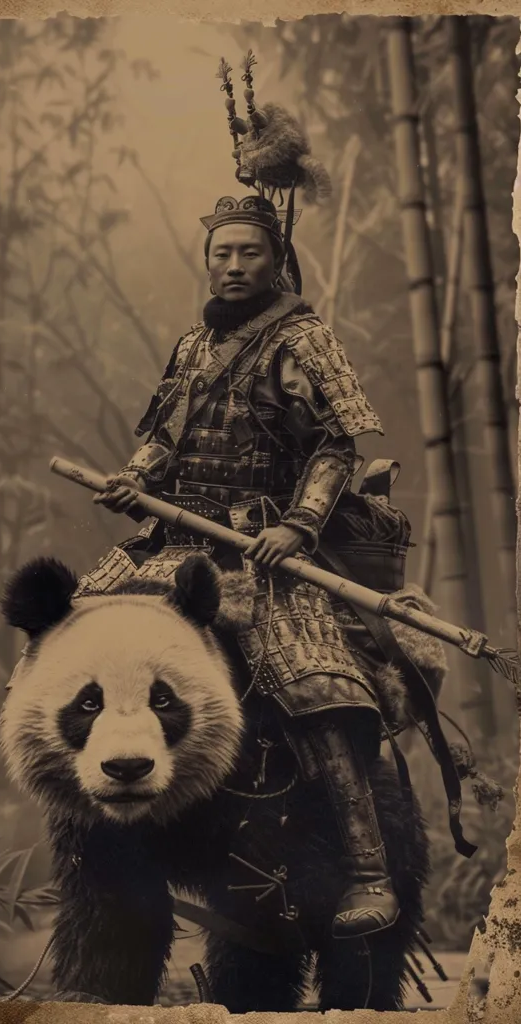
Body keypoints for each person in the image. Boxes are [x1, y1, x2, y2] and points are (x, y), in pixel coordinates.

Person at [88, 58, 474, 939]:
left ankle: (368, 873)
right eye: (220, 254)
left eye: (247, 254)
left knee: (318, 690)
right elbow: (166, 433)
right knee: (81, 635)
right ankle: (111, 858)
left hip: (271, 550)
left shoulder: (304, 340)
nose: (232, 266)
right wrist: (136, 475)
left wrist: (299, 526)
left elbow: (336, 445)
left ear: (273, 258)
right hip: (175, 542)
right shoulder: (192, 345)